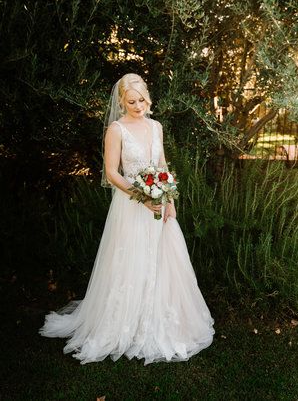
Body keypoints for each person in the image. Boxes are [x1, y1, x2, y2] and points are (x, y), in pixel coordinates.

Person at [39, 73, 215, 365]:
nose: (137, 106)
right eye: (131, 101)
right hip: (131, 206)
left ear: (148, 97)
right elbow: (111, 172)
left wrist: (168, 199)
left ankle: (159, 319)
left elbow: (161, 165)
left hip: (158, 205)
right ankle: (125, 323)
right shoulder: (116, 129)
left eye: (141, 100)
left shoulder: (156, 127)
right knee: (130, 260)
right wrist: (142, 197)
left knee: (162, 261)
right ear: (121, 101)